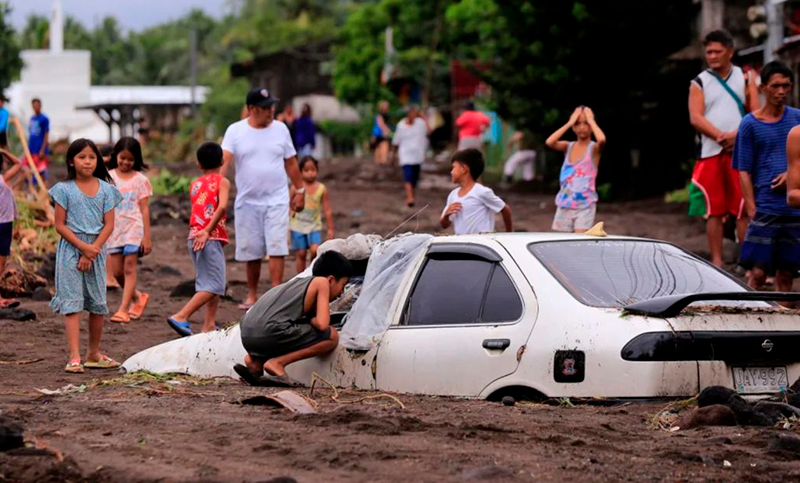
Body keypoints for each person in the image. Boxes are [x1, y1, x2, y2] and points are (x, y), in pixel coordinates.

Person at [221, 88, 305, 310]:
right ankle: (252, 295)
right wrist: (214, 186)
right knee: (252, 250)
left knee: (277, 246)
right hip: (247, 200)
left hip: (277, 198)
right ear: (252, 109)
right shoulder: (235, 131)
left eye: (271, 106)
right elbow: (224, 160)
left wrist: (300, 190)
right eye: (266, 107)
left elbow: (291, 162)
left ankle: (275, 293)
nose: (271, 111)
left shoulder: (281, 129)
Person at [49, 139, 122, 373]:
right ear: (71, 161)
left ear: (98, 160)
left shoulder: (107, 190)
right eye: (82, 157)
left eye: (92, 157)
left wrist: (92, 251)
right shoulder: (63, 189)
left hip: (97, 251)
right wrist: (83, 248)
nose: (87, 161)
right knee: (72, 304)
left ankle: (93, 353)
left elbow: (109, 225)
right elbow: (59, 225)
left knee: (97, 304)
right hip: (71, 249)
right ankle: (74, 357)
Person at [689, 30, 759, 267]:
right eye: (709, 51)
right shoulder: (699, 82)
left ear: (730, 51)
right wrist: (721, 136)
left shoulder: (747, 77)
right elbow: (695, 118)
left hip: (741, 151)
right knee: (713, 210)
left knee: (742, 207)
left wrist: (737, 135)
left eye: (717, 51)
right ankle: (717, 262)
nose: (712, 56)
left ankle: (746, 261)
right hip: (710, 152)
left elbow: (756, 113)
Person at [233, 250, 352, 386]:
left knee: (286, 329)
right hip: (268, 331)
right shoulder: (322, 283)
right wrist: (312, 319)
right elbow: (323, 324)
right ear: (331, 279)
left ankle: (255, 363)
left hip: (247, 334)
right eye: (343, 285)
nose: (342, 292)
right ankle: (277, 364)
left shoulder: (297, 284)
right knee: (332, 336)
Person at [733, 61, 800, 294]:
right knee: (758, 273)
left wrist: (791, 174)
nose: (780, 92)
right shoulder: (750, 124)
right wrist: (751, 208)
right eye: (775, 86)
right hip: (766, 206)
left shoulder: (797, 119)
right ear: (763, 88)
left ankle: (786, 325)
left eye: (785, 86)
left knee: (787, 273)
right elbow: (743, 169)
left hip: (794, 208)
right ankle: (754, 319)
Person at [168, 142, 230, 336]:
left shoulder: (195, 185)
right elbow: (221, 207)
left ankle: (209, 325)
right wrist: (208, 231)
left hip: (194, 236)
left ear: (198, 164)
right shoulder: (222, 181)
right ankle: (181, 316)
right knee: (215, 285)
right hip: (207, 237)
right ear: (222, 161)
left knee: (209, 281)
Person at [106, 137, 153, 323]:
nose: (125, 162)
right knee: (117, 272)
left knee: (129, 268)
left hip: (134, 227)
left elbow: (144, 209)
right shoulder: (109, 178)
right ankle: (137, 297)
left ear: (136, 160)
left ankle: (123, 310)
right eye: (122, 158)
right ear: (116, 156)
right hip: (115, 229)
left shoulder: (140, 180)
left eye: (130, 159)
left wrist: (147, 238)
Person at [545, 106, 606, 233]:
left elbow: (602, 139)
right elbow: (550, 142)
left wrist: (591, 120)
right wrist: (569, 122)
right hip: (564, 204)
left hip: (585, 206)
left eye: (586, 123)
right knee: (562, 243)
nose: (582, 127)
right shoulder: (568, 147)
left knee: (579, 241)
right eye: (578, 124)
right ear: (573, 127)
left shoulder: (593, 149)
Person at [440, 148, 512, 234]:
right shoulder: (453, 195)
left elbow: (505, 209)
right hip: (462, 244)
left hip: (482, 244)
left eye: (454, 167)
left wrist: (509, 233)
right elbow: (444, 225)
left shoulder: (482, 192)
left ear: (463, 169)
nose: (451, 172)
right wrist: (446, 216)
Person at [290, 156, 334, 274]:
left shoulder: (321, 189)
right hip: (297, 225)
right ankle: (300, 278)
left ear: (317, 170)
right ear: (300, 172)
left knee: (315, 250)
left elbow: (327, 210)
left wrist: (330, 229)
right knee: (301, 253)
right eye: (306, 170)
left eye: (313, 170)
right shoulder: (295, 189)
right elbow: (289, 207)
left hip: (314, 226)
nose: (310, 173)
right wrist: (286, 227)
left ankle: (311, 272)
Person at [392, 105, 430, 207]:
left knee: (414, 179)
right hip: (405, 155)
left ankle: (411, 194)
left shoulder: (420, 124)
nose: (414, 115)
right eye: (412, 113)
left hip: (418, 155)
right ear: (408, 114)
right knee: (408, 176)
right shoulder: (401, 125)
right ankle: (410, 197)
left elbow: (430, 130)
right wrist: (393, 155)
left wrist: (424, 117)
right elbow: (396, 141)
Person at [0, 149, 24, 307]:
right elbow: (18, 163)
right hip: (3, 224)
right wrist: (4, 151)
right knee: (0, 264)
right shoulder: (3, 178)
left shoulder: (3, 179)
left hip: (5, 223)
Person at [28, 98, 50, 182]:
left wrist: (42, 150)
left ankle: (44, 190)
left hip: (40, 148)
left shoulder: (44, 119)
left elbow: (46, 134)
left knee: (42, 171)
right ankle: (36, 191)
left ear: (40, 106)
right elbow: (31, 134)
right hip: (32, 149)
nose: (35, 107)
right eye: (34, 106)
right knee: (32, 171)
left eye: (37, 105)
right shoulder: (32, 118)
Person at [372, 100, 393, 165]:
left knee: (380, 145)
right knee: (384, 144)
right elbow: (381, 124)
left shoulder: (383, 114)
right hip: (381, 132)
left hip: (379, 132)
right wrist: (386, 130)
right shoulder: (380, 115)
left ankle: (379, 159)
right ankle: (382, 159)